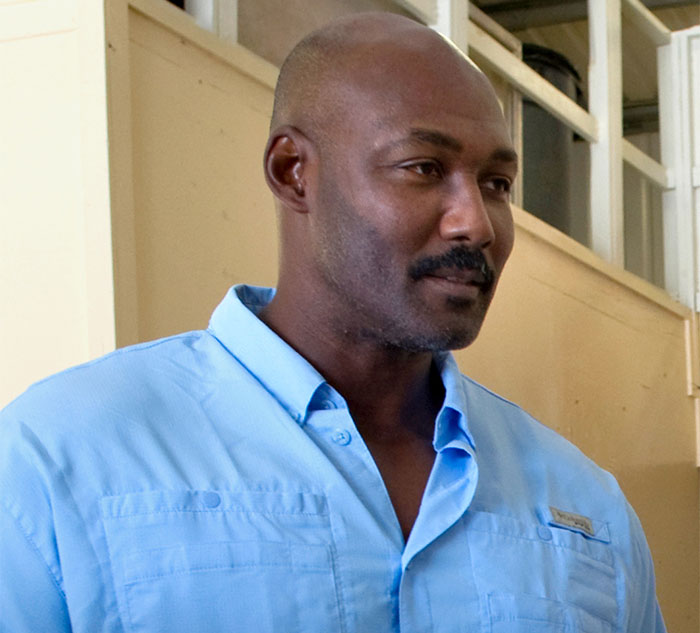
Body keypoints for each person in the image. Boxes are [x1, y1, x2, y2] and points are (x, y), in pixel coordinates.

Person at [0, 11, 665, 632]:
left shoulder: (588, 509)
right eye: (423, 168)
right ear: (294, 173)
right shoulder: (60, 459)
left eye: (496, 183)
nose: (477, 222)